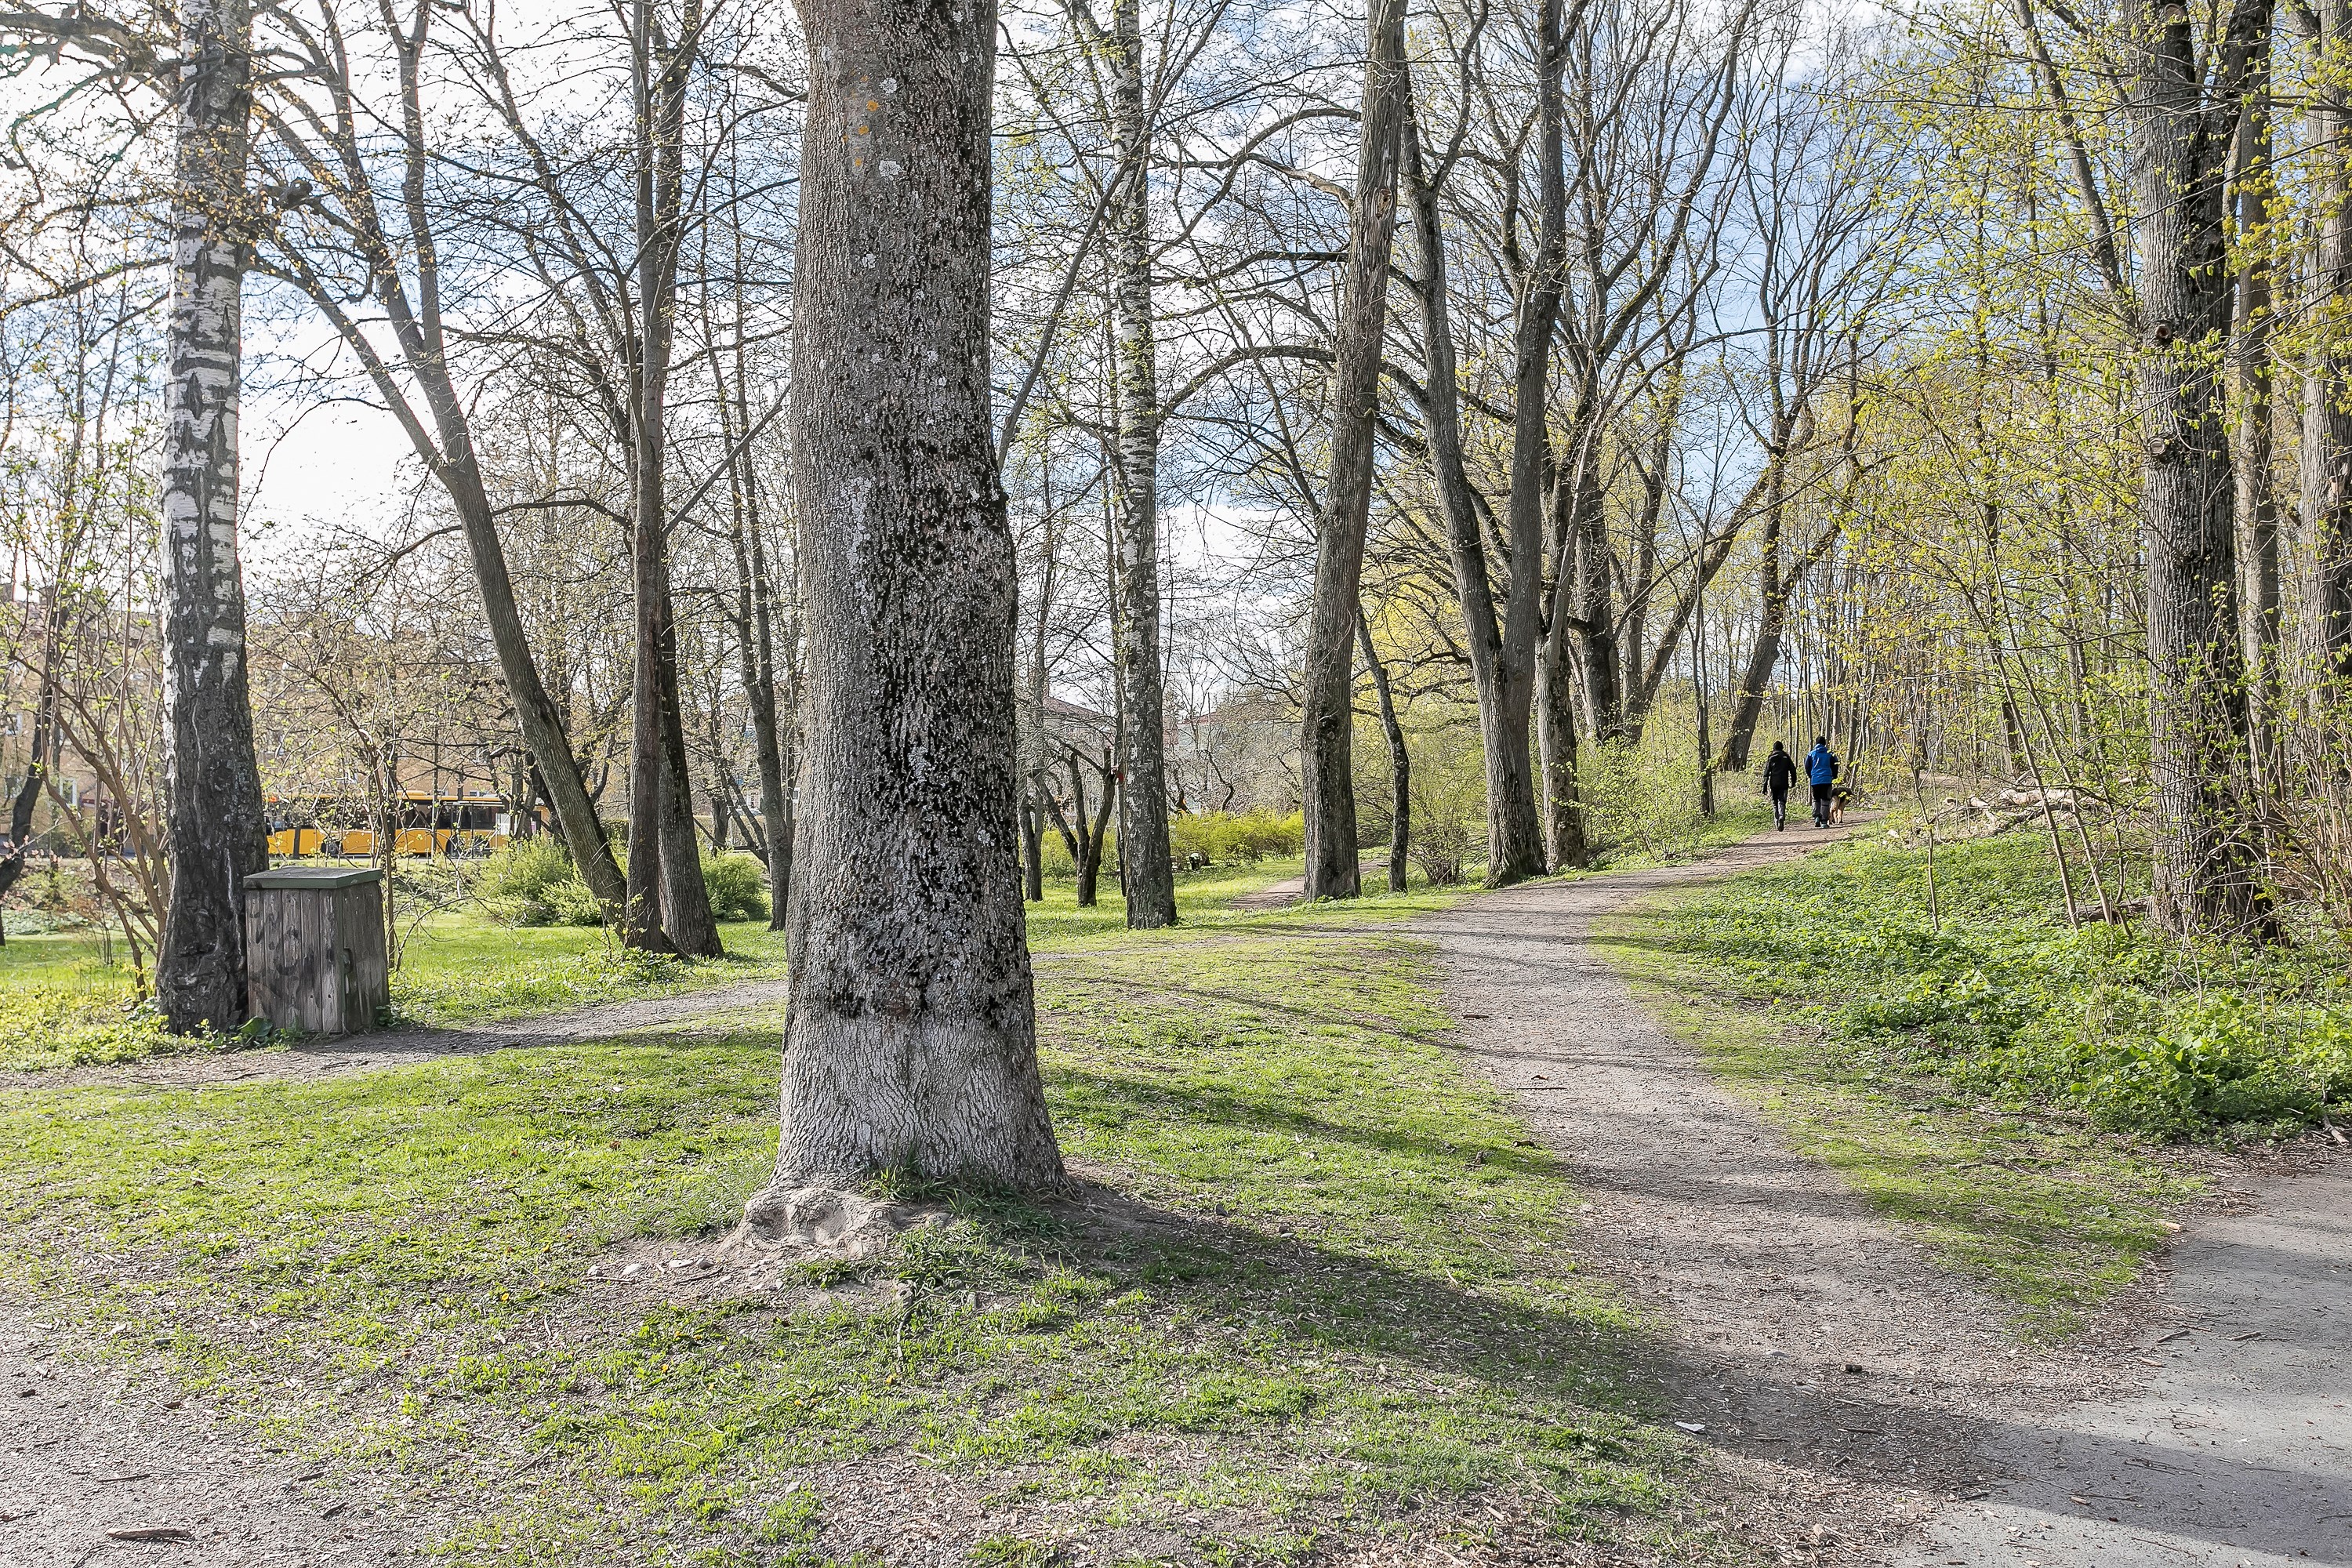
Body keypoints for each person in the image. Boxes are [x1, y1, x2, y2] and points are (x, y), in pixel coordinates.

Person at [1762, 741, 1799, 830]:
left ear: (1774, 748)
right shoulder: (1786, 757)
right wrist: (1793, 781)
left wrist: (1764, 786)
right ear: (1782, 748)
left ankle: (1777, 820)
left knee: (1774, 802)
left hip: (1774, 783)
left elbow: (1766, 773)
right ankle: (1781, 817)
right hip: (1784, 783)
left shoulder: (1771, 757)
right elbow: (1793, 770)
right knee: (1782, 801)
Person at [1805, 735, 1839, 828]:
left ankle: (1816, 817)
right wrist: (1834, 775)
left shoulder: (1811, 754)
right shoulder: (1830, 753)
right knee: (1825, 800)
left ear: (1816, 743)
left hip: (1815, 780)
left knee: (1816, 799)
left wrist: (1811, 775)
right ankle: (1824, 821)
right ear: (1825, 744)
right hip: (1827, 779)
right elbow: (1835, 765)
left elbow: (1807, 766)